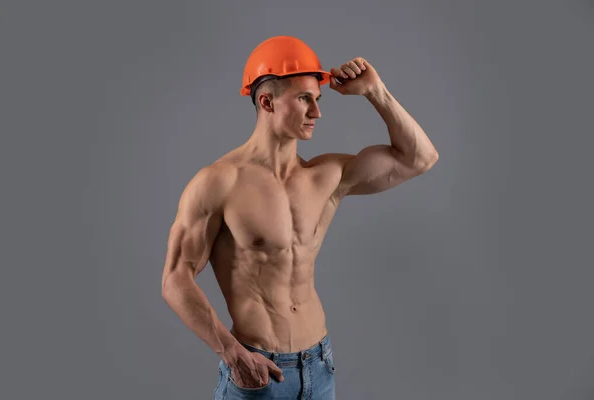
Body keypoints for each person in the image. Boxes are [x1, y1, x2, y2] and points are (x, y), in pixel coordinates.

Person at [161, 36, 439, 399]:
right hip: (258, 369)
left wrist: (376, 92)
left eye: (318, 99)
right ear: (266, 101)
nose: (317, 112)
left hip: (319, 366)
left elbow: (420, 158)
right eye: (305, 99)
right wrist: (231, 353)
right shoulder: (218, 182)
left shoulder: (326, 176)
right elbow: (175, 278)